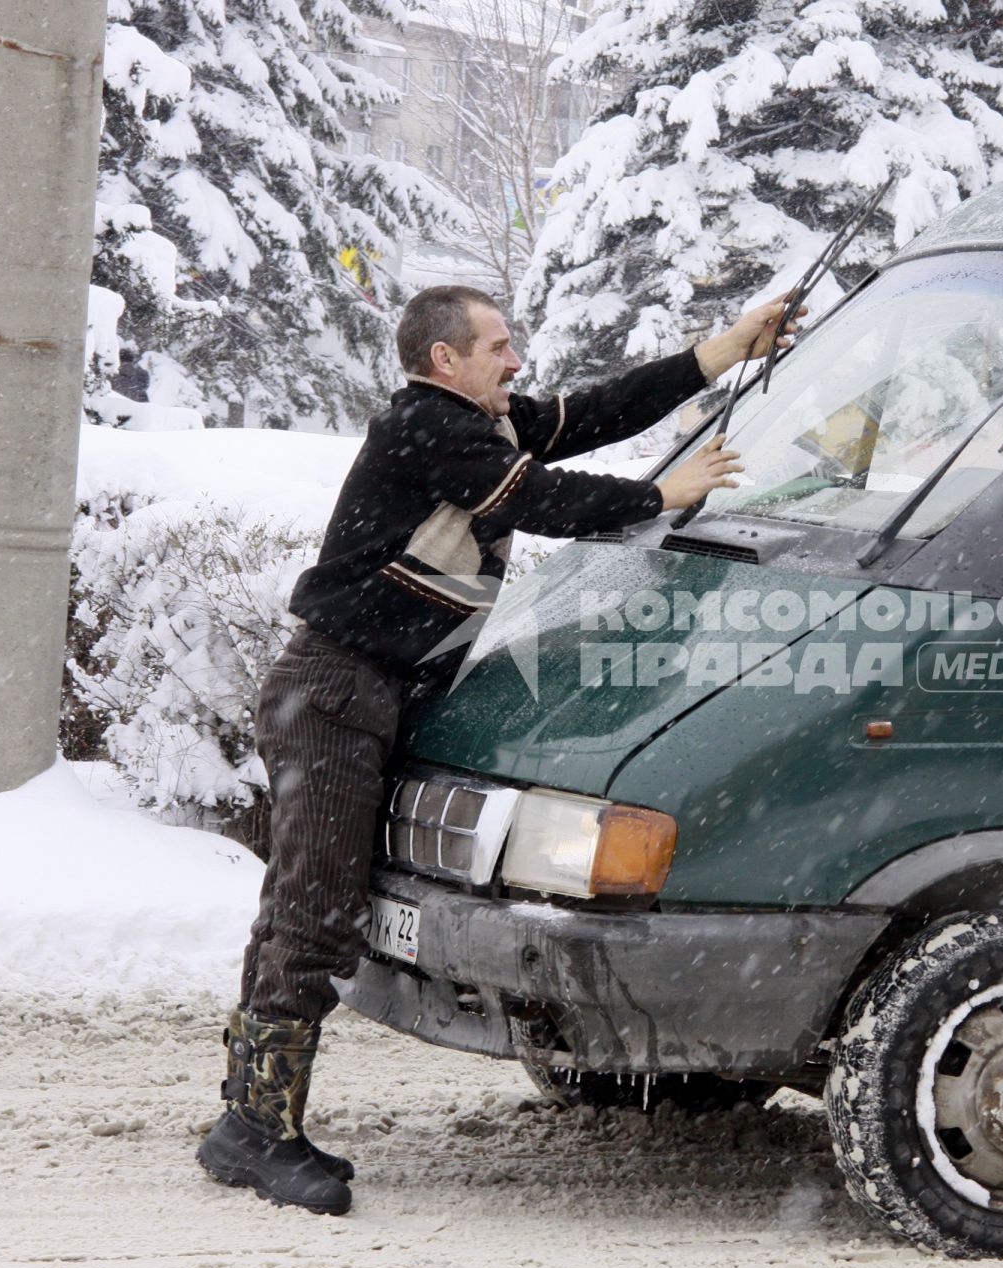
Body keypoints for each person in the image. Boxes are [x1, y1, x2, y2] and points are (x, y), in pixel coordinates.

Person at [196, 284, 798, 1213]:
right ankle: (257, 1127)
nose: (514, 361)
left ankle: (248, 1115)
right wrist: (660, 493)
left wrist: (723, 351)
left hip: (363, 690)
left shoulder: (484, 422)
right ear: (447, 360)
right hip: (333, 690)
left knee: (301, 904)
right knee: (313, 912)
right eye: (498, 346)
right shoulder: (426, 429)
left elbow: (594, 413)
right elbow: (537, 497)